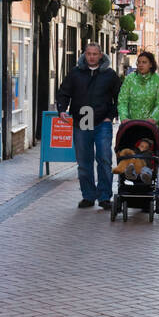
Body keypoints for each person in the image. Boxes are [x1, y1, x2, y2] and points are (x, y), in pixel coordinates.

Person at [55, 41, 123, 209]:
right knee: (84, 162)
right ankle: (88, 196)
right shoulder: (75, 73)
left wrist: (111, 116)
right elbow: (63, 93)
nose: (91, 57)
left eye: (95, 54)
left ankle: (104, 197)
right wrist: (62, 110)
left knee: (104, 159)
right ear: (84, 55)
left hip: (102, 123)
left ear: (100, 55)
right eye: (88, 54)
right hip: (82, 122)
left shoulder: (109, 75)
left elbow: (120, 98)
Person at [117, 50, 159, 126]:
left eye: (144, 62)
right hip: (130, 125)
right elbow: (122, 100)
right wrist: (124, 118)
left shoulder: (158, 81)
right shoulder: (130, 79)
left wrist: (153, 119)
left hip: (150, 126)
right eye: (139, 62)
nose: (140, 65)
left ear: (150, 64)